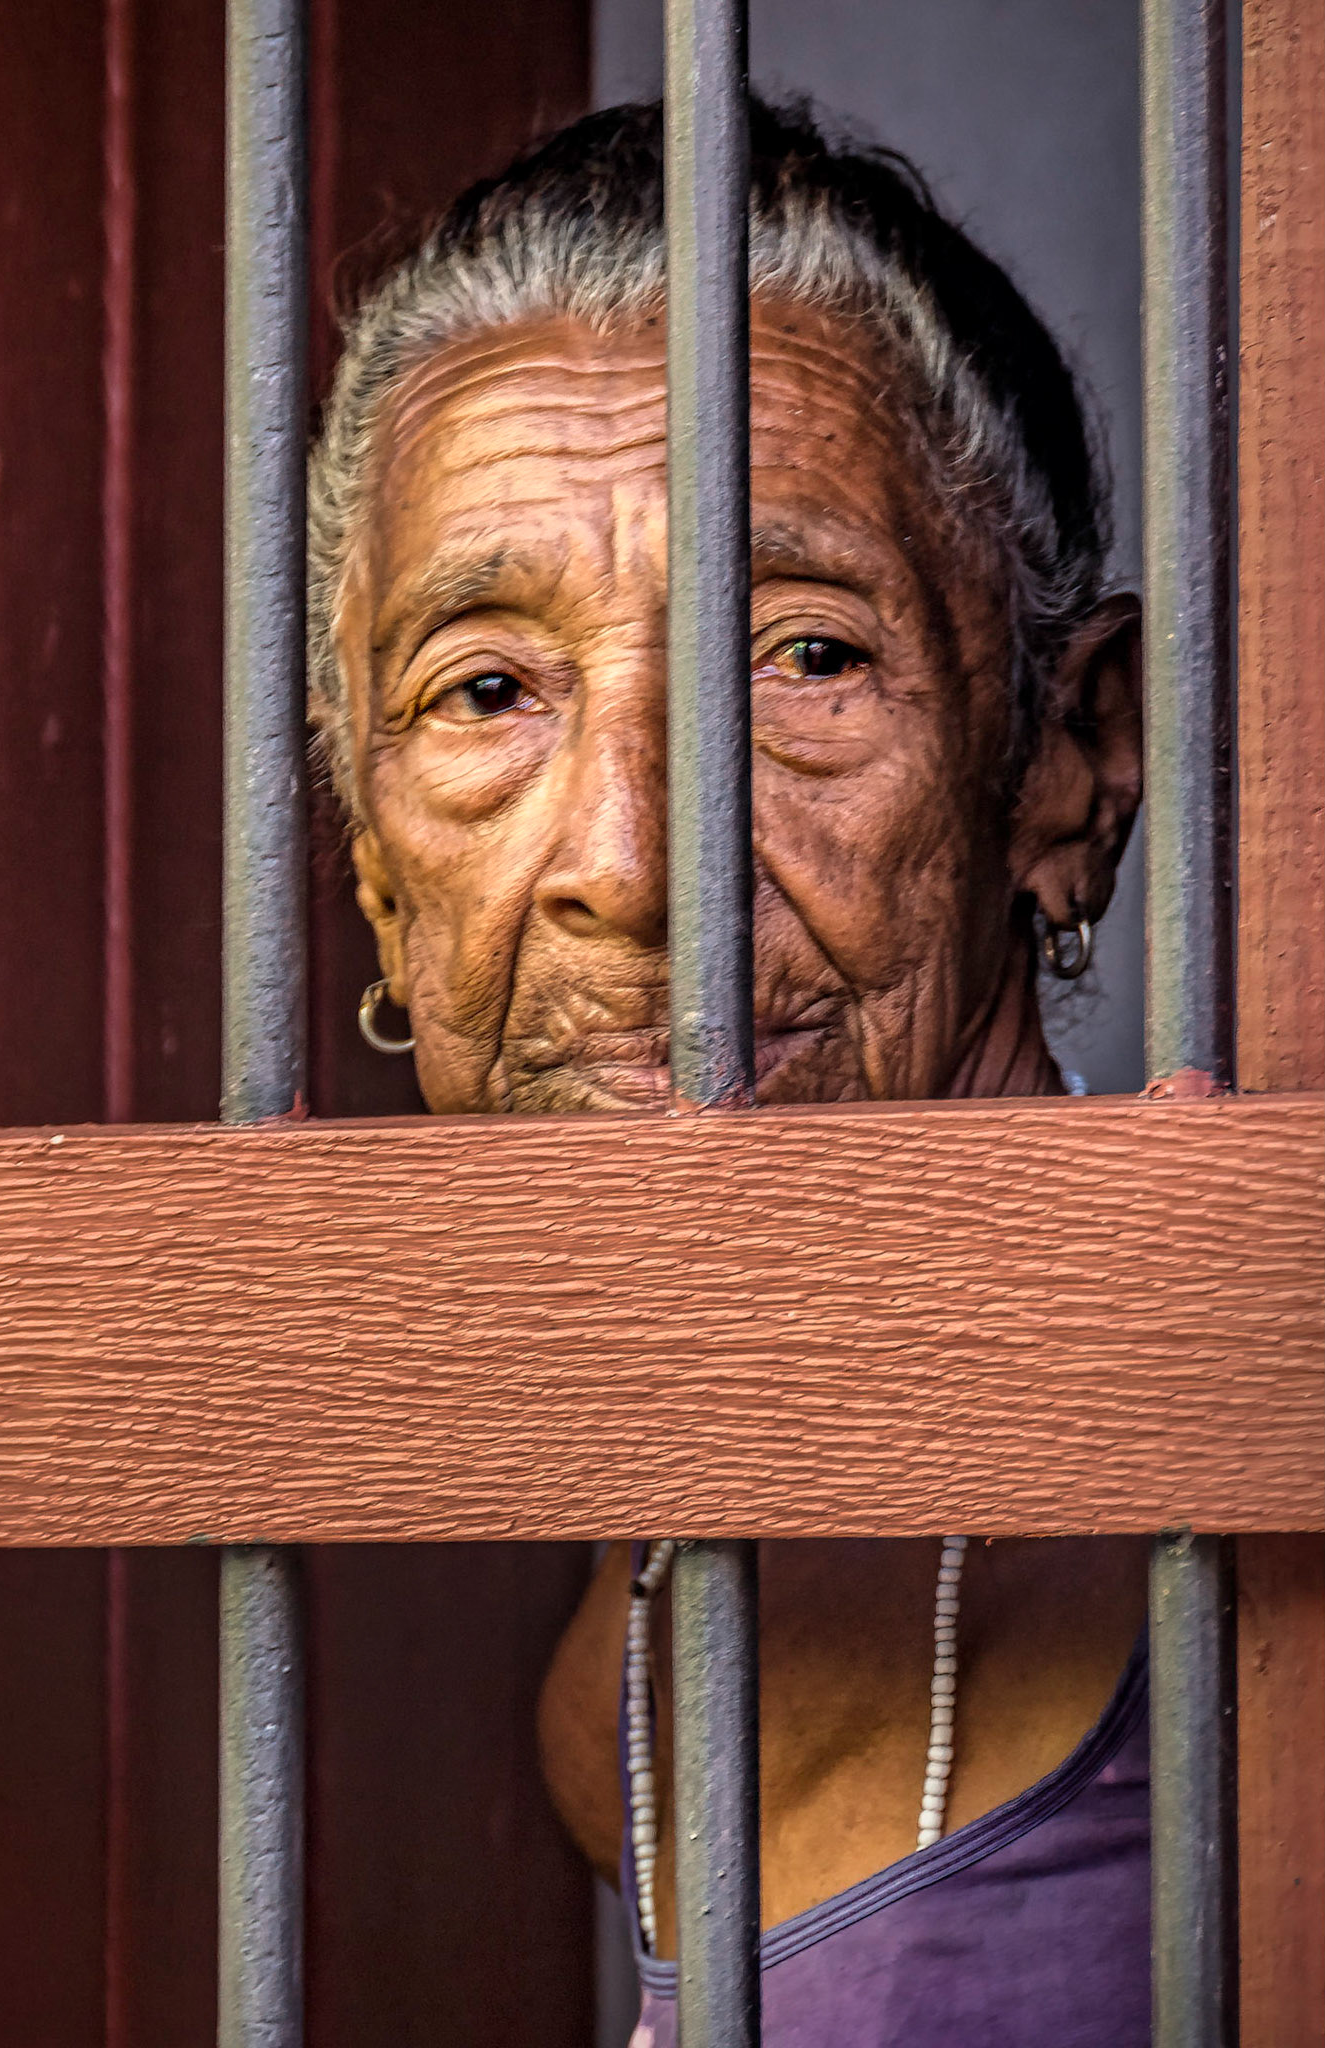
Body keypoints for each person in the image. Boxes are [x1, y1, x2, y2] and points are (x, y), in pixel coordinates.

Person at [307, 98, 1148, 2048]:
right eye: (486, 690)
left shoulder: (1232, 1553)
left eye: (805, 658)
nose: (626, 863)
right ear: (373, 876)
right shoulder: (633, 1616)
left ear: (1065, 759)